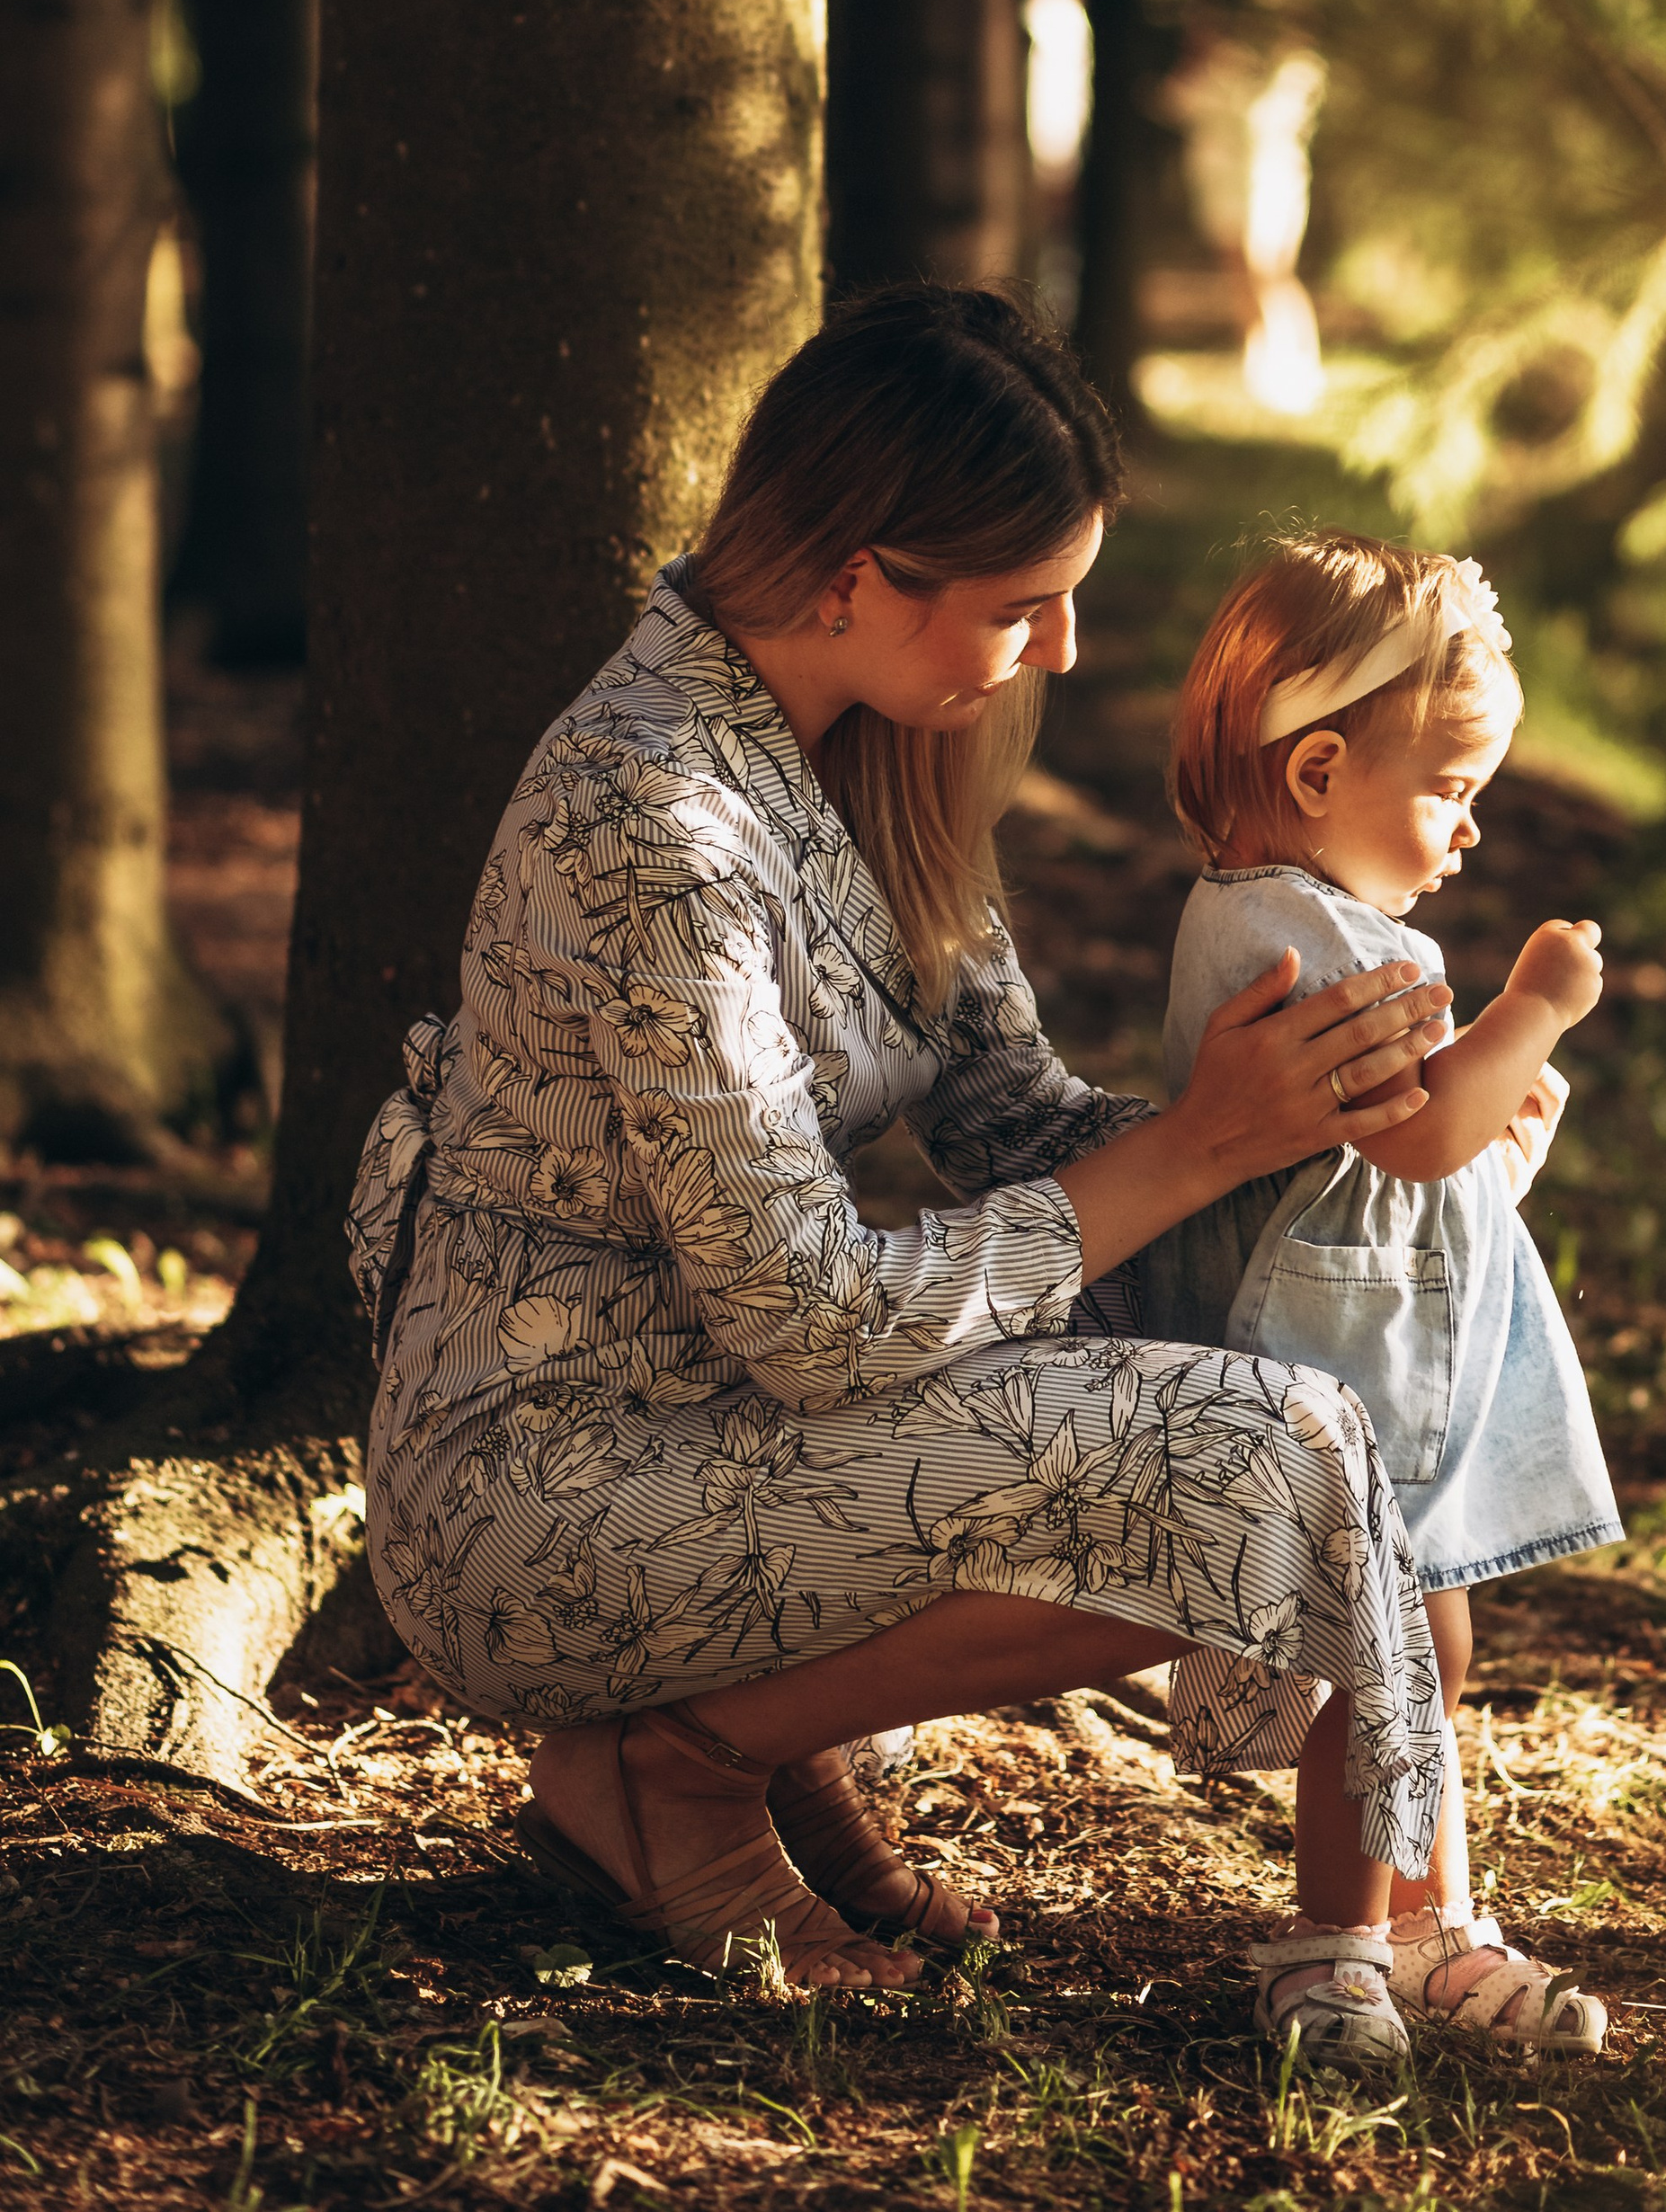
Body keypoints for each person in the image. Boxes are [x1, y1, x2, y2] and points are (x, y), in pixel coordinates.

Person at [346, 289, 1456, 2001]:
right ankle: (667, 1769)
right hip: (547, 1479)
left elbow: (1011, 1123)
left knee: (1297, 1367)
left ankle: (758, 1736)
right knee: (1264, 1451)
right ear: (856, 576)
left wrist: (1308, 1130)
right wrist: (1189, 1156)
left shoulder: (875, 751)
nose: (1069, 649)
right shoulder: (655, 816)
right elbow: (814, 1317)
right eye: (1028, 605)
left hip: (734, 1419)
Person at [1136, 531, 1621, 2062]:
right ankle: (1334, 1938)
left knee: (1431, 1655)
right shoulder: (1277, 932)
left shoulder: (1320, 919)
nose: (1469, 831)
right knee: (1384, 1656)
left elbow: (1395, 1167)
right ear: (1321, 767)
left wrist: (1499, 1151)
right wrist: (1532, 1007)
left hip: (1381, 1369)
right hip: (1320, 1385)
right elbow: (1413, 1125)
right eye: (1452, 788)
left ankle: (1429, 1921)